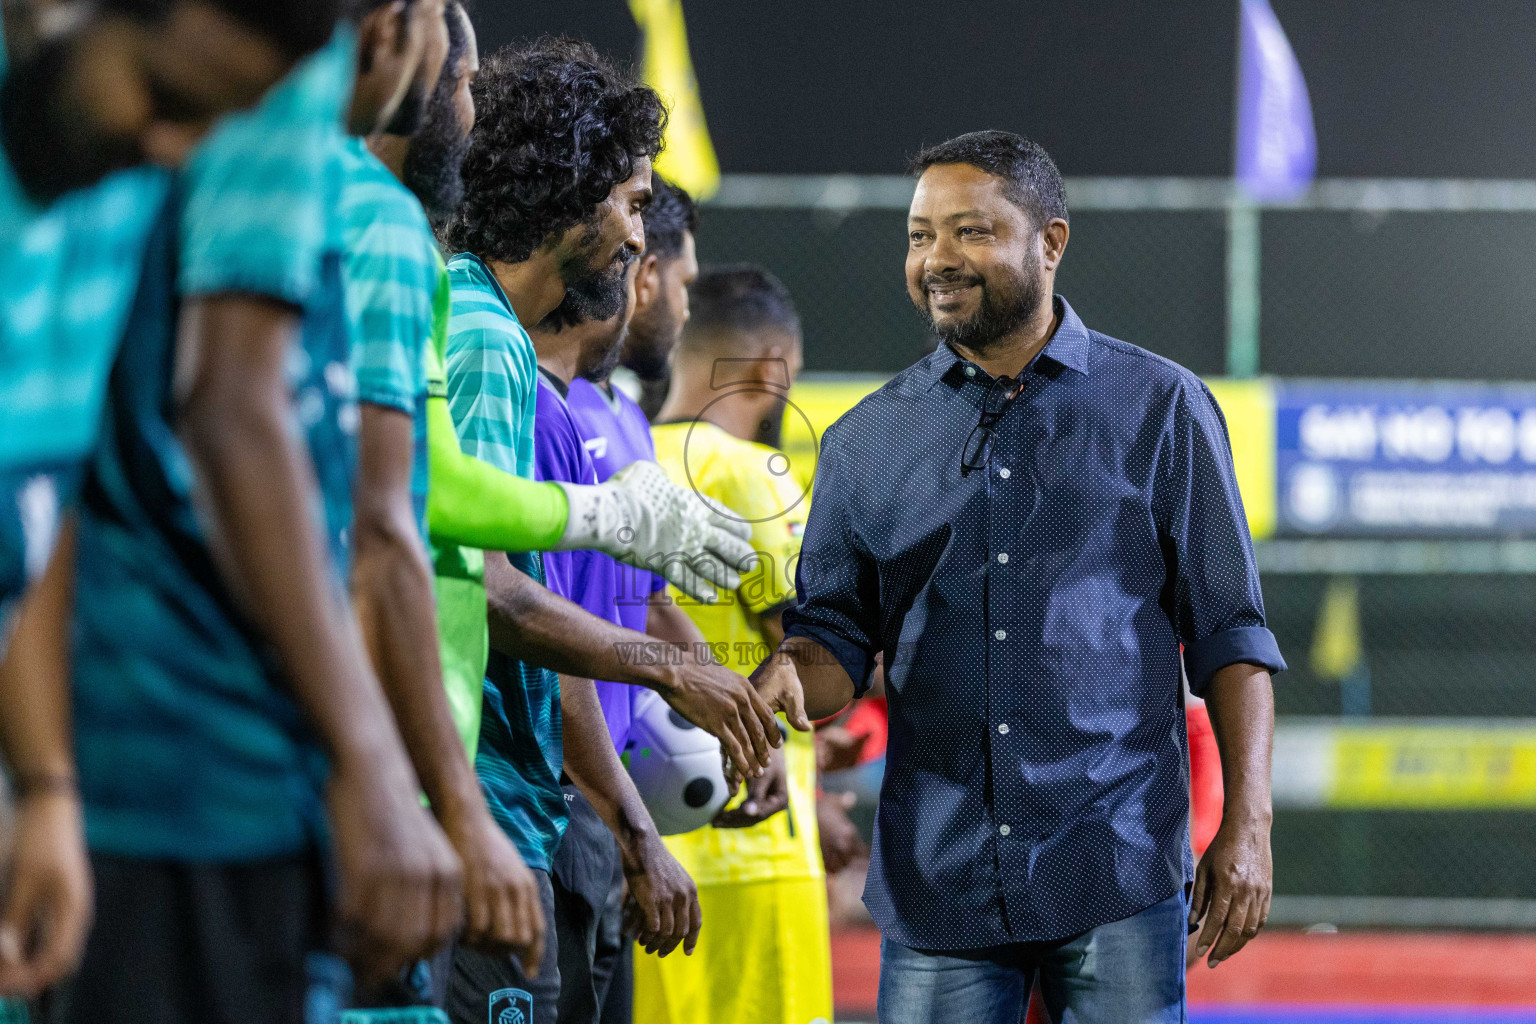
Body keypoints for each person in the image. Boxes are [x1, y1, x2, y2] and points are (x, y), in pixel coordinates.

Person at [753, 130, 1287, 1023]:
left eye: (971, 232)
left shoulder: (1161, 405)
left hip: (1115, 867)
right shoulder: (863, 441)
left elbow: (1232, 634)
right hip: (940, 879)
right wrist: (779, 680)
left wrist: (1250, 825)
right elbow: (837, 640)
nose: (938, 260)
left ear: (1052, 241)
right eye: (921, 235)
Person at [53, 11, 460, 1023]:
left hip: (137, 762)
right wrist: (379, 768)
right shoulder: (286, 96)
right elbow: (245, 420)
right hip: (197, 762)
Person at [437, 39, 801, 1024]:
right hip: (477, 808)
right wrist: (672, 669)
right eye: (634, 202)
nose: (640, 237)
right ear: (575, 192)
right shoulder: (480, 340)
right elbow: (495, 588)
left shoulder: (499, 340)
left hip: (511, 805)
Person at [0, 0, 347, 1003]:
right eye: (166, 98)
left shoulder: (104, 173)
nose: (175, 150)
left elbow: (36, 492)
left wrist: (46, 787)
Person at [639, 265, 835, 1024]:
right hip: (755, 849)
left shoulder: (624, 457)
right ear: (769, 367)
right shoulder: (760, 477)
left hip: (652, 839)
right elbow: (814, 651)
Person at [528, 263, 703, 1024]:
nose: (685, 304)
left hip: (607, 810)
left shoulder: (620, 414)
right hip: (553, 801)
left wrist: (732, 730)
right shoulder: (532, 404)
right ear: (644, 276)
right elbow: (543, 630)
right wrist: (637, 833)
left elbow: (648, 603)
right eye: (683, 280)